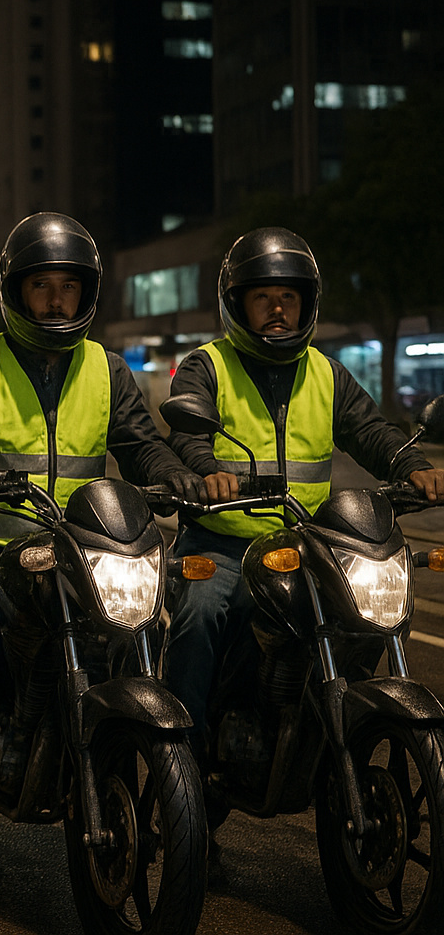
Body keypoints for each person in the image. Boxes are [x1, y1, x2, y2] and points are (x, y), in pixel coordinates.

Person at [0, 211, 205, 893]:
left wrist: (172, 475)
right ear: (16, 290)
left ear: (86, 292)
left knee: (138, 642)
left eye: (67, 287)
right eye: (41, 286)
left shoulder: (107, 367)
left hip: (82, 549)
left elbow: (140, 442)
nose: (54, 301)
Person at [161, 226, 444, 771]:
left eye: (288, 297)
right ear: (237, 303)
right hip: (221, 544)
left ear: (305, 304)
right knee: (198, 618)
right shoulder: (207, 365)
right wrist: (206, 471)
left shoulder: (325, 373)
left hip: (304, 545)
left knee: (360, 615)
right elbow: (188, 436)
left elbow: (371, 431)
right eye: (262, 297)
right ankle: (184, 762)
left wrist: (414, 467)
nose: (276, 309)